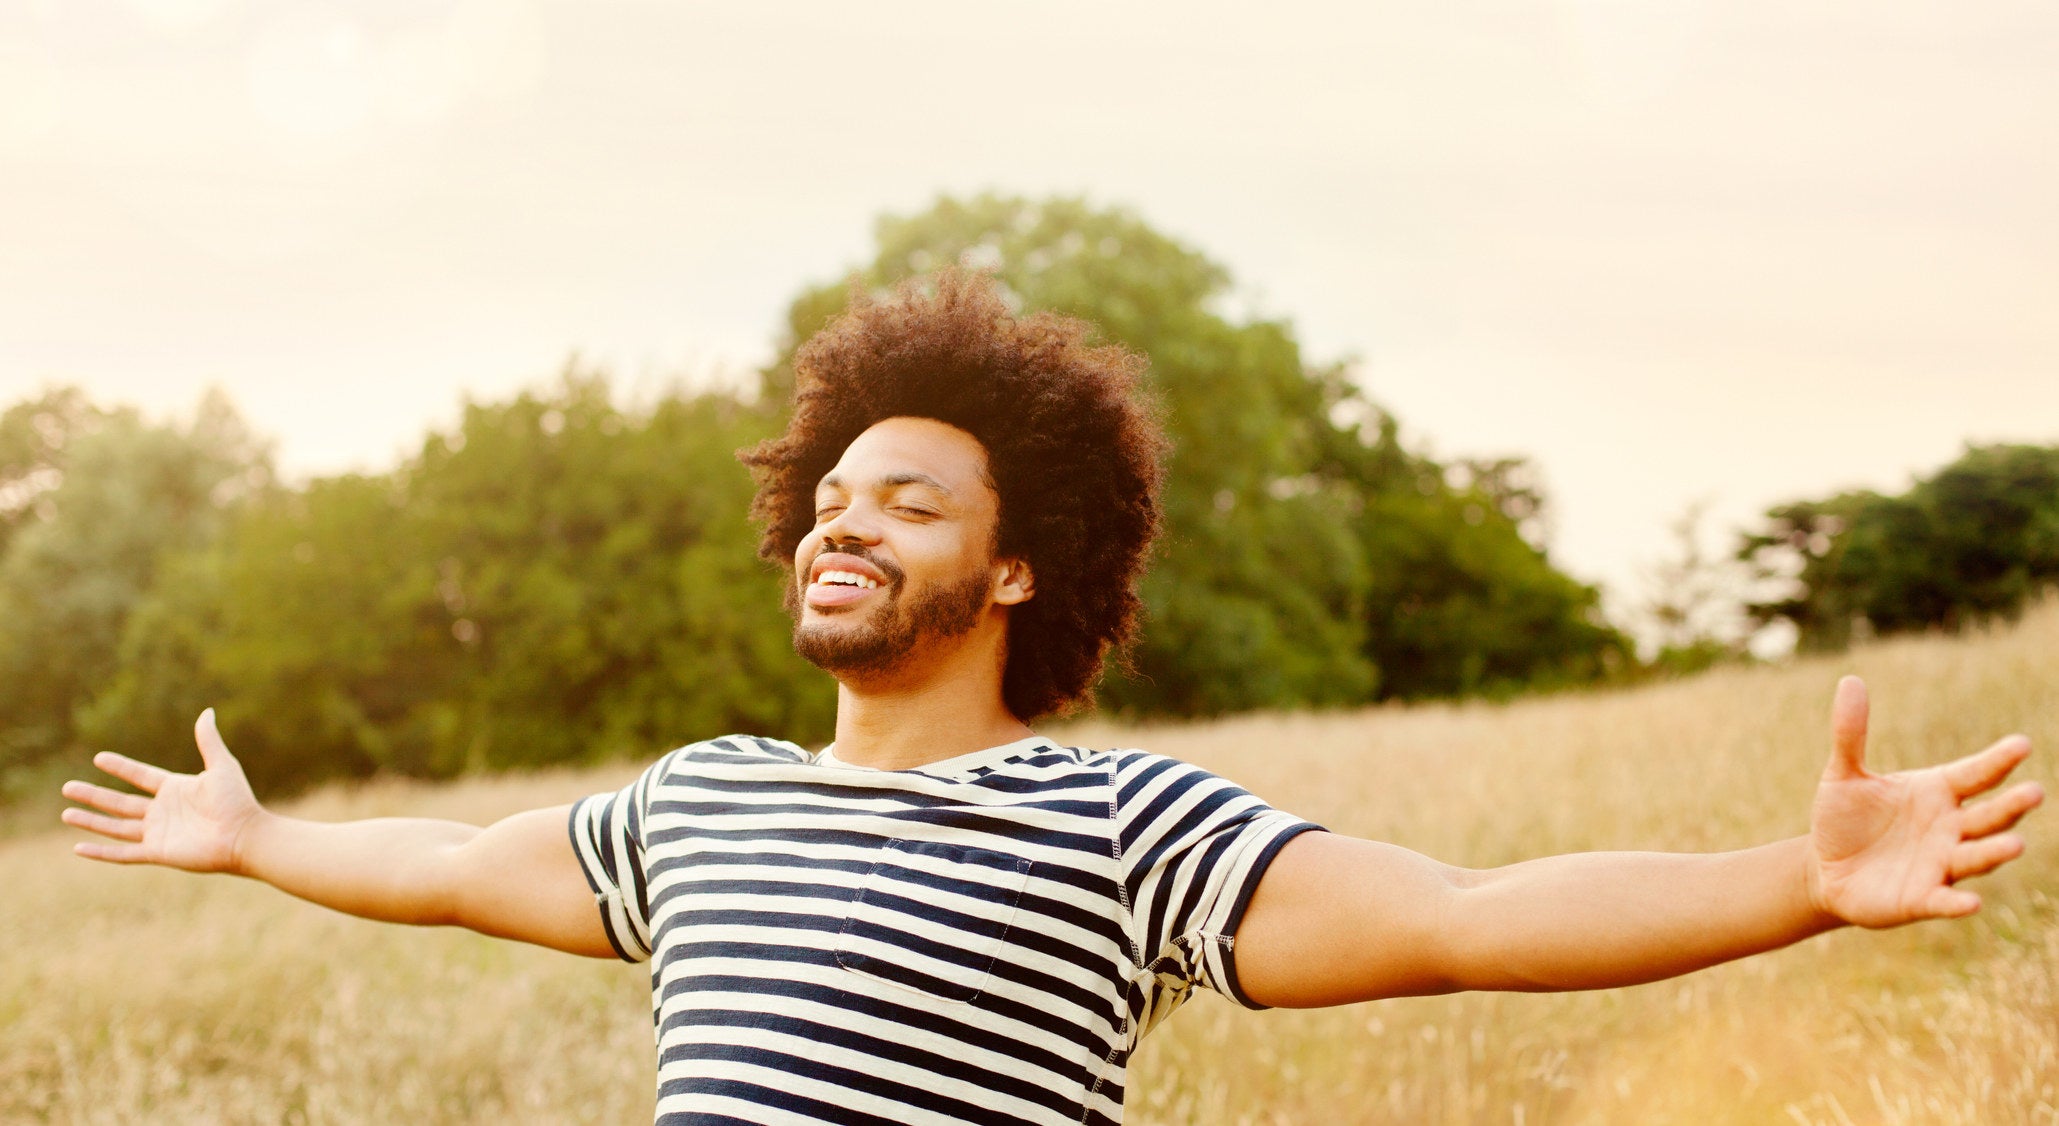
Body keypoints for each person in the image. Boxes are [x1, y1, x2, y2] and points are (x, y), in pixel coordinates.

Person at [62, 272, 2042, 1126]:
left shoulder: (1124, 828)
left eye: (907, 502)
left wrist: (1796, 877)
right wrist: (250, 840)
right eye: (829, 500)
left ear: (1014, 568)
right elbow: (447, 860)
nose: (844, 527)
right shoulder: (702, 802)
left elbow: (1465, 914)